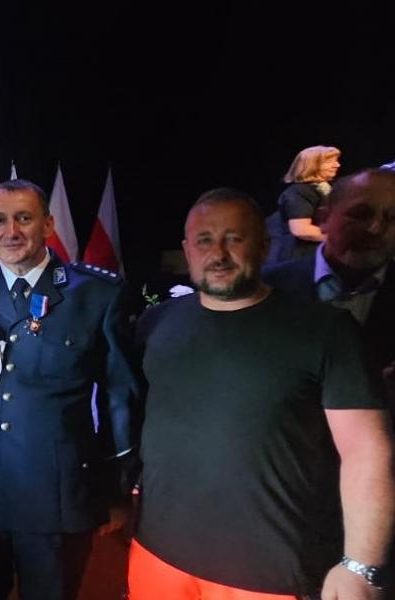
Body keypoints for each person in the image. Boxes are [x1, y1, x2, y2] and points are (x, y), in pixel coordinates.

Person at [131, 188, 392, 599]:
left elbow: (366, 452)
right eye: (204, 240)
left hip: (268, 572)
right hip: (156, 553)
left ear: (265, 246)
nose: (218, 253)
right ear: (187, 249)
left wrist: (361, 566)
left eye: (234, 238)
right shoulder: (157, 323)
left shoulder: (326, 331)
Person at [0, 179, 139, 600]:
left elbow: (118, 397)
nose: (11, 231)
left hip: (57, 497)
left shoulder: (95, 294)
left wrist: (116, 489)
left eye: (24, 218)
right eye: (0, 220)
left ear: (48, 225)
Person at [265, 168, 395, 393]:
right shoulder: (266, 287)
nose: (375, 229)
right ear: (324, 219)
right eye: (360, 214)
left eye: (392, 218)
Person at [265, 145, 341, 264]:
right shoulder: (298, 192)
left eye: (336, 161)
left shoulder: (327, 189)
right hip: (301, 258)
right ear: (312, 165)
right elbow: (301, 230)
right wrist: (340, 238)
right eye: (329, 162)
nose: (337, 165)